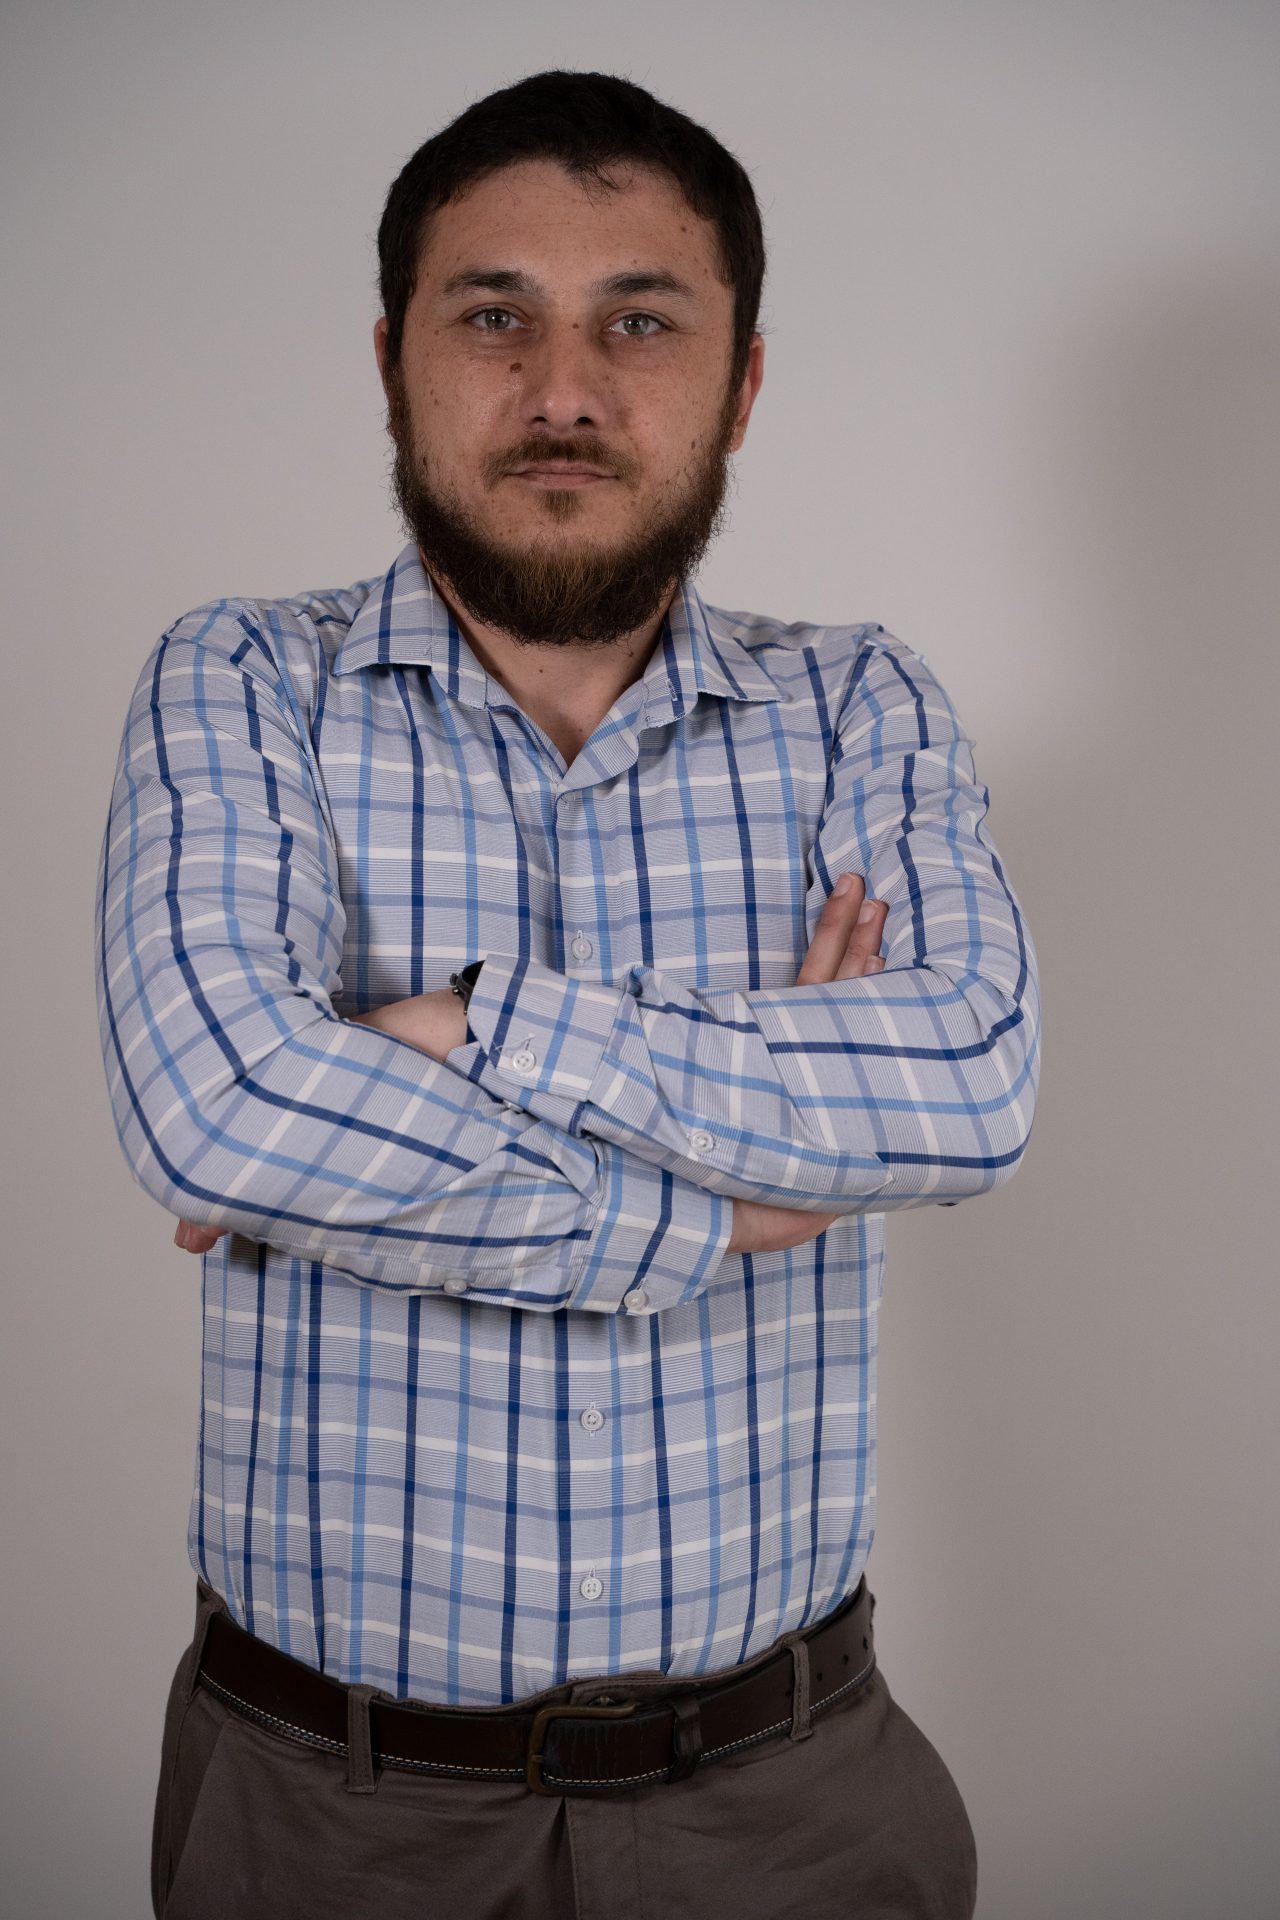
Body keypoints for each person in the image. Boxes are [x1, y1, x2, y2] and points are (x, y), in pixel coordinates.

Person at [94, 67, 1040, 1920]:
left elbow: (974, 1078)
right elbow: (218, 1113)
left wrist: (464, 1023)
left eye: (641, 322)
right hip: (330, 1821)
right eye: (492, 316)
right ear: (394, 361)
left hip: (799, 1813)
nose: (564, 390)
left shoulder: (862, 700)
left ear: (740, 384)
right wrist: (732, 1201)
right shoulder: (242, 677)